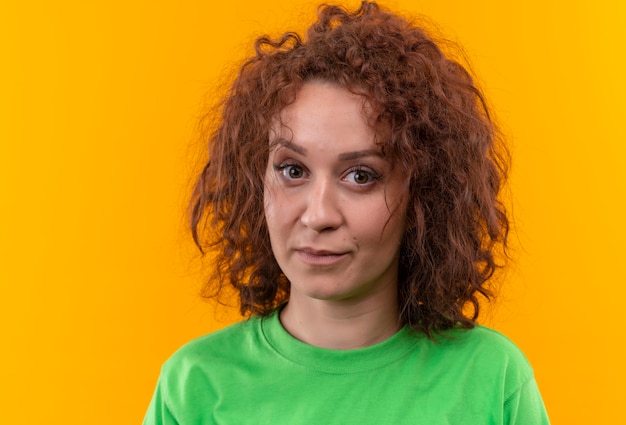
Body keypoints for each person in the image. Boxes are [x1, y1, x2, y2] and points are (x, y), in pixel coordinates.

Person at [144, 2, 550, 424]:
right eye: (293, 170)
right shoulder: (195, 386)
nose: (318, 215)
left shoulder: (491, 379)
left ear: (424, 196)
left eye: (360, 176)